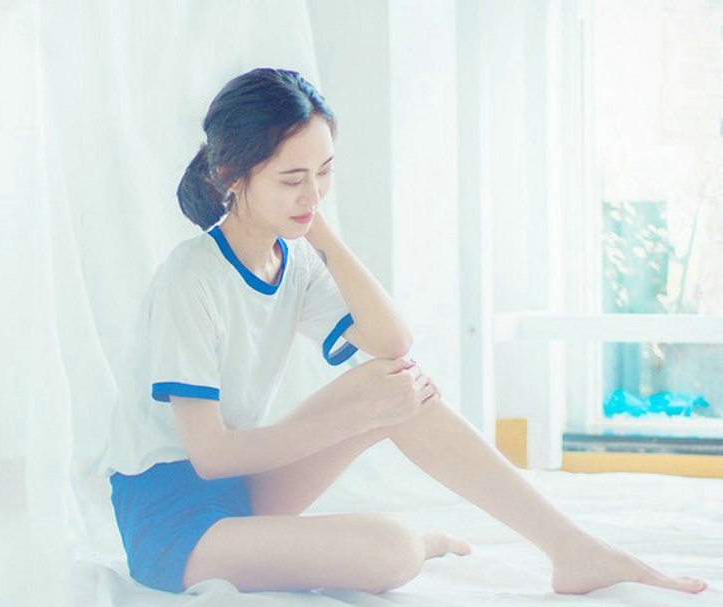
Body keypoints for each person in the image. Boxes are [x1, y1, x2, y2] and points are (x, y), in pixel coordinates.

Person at [102, 67, 708, 596]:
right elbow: (210, 457)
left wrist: (319, 231)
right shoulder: (191, 277)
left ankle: (573, 549)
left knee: (395, 384)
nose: (313, 194)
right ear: (232, 176)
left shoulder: (292, 259)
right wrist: (354, 419)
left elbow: (392, 343)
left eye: (324, 172)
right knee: (390, 549)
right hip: (173, 525)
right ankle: (421, 543)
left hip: (240, 493)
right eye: (292, 180)